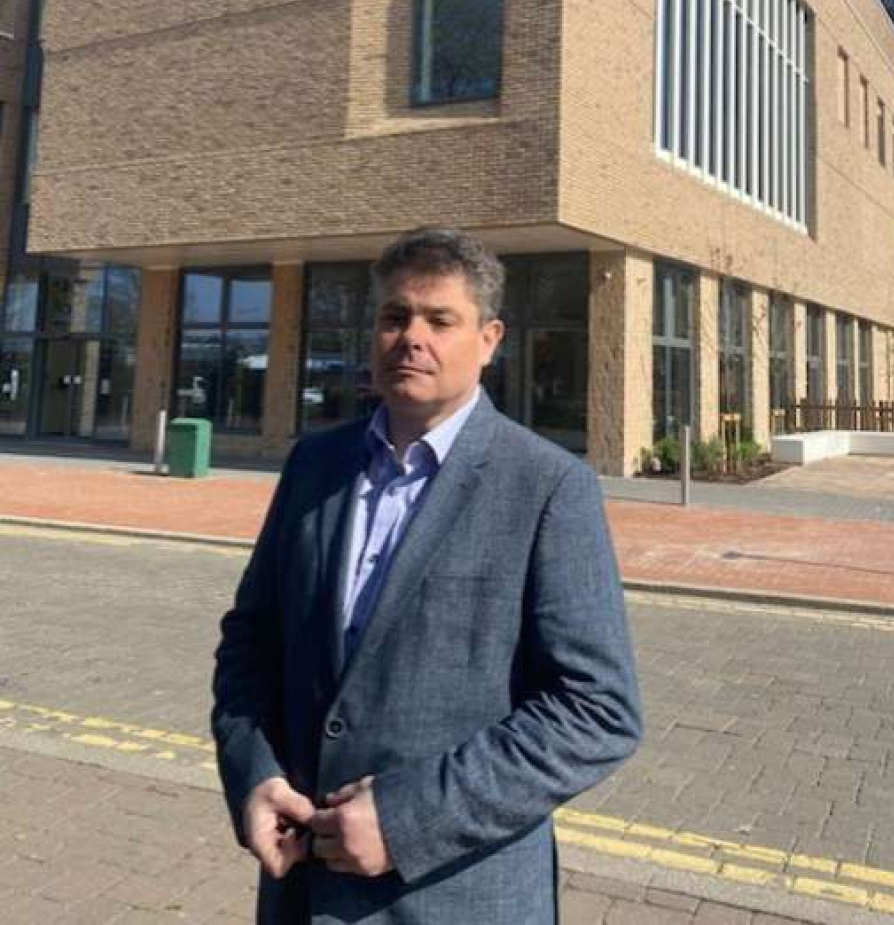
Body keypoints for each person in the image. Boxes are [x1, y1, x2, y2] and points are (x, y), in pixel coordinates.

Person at [212, 227, 642, 924]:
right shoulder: (314, 466)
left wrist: (409, 819)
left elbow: (598, 711)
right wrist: (253, 772)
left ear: (490, 339)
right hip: (301, 890)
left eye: (440, 320)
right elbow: (250, 642)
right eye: (394, 317)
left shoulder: (548, 486)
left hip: (453, 899)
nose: (412, 336)